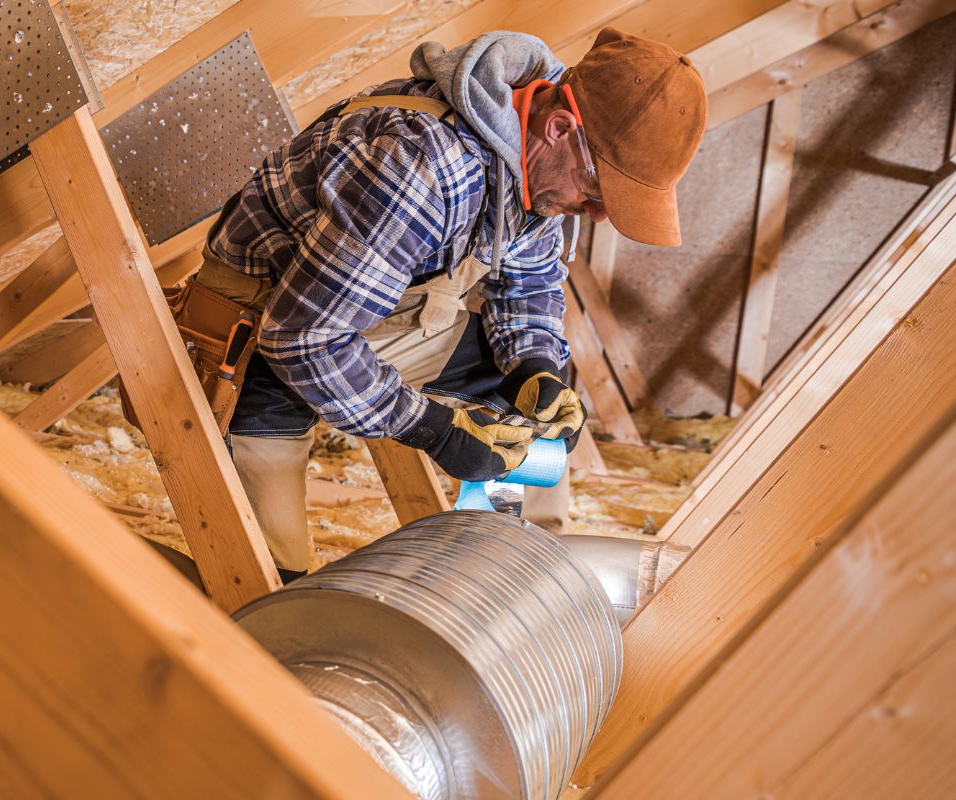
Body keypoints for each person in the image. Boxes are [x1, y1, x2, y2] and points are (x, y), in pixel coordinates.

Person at [195, 28, 706, 580]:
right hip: (263, 333)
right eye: (599, 191)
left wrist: (533, 367)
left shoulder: (536, 163)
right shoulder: (422, 165)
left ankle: (530, 569)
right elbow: (303, 337)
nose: (599, 214)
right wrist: (431, 428)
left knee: (534, 410)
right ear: (560, 128)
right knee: (270, 580)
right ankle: (273, 598)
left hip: (368, 309)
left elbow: (530, 286)